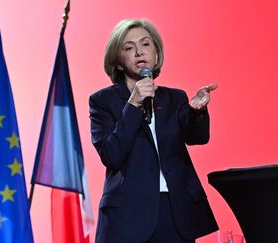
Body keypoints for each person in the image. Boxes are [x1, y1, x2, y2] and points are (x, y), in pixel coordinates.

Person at [89, 19, 218, 243]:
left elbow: (197, 138)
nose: (139, 52)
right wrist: (134, 104)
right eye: (128, 48)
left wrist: (197, 111)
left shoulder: (174, 98)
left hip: (175, 212)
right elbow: (111, 155)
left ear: (156, 54)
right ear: (118, 62)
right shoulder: (103, 101)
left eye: (146, 44)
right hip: (128, 216)